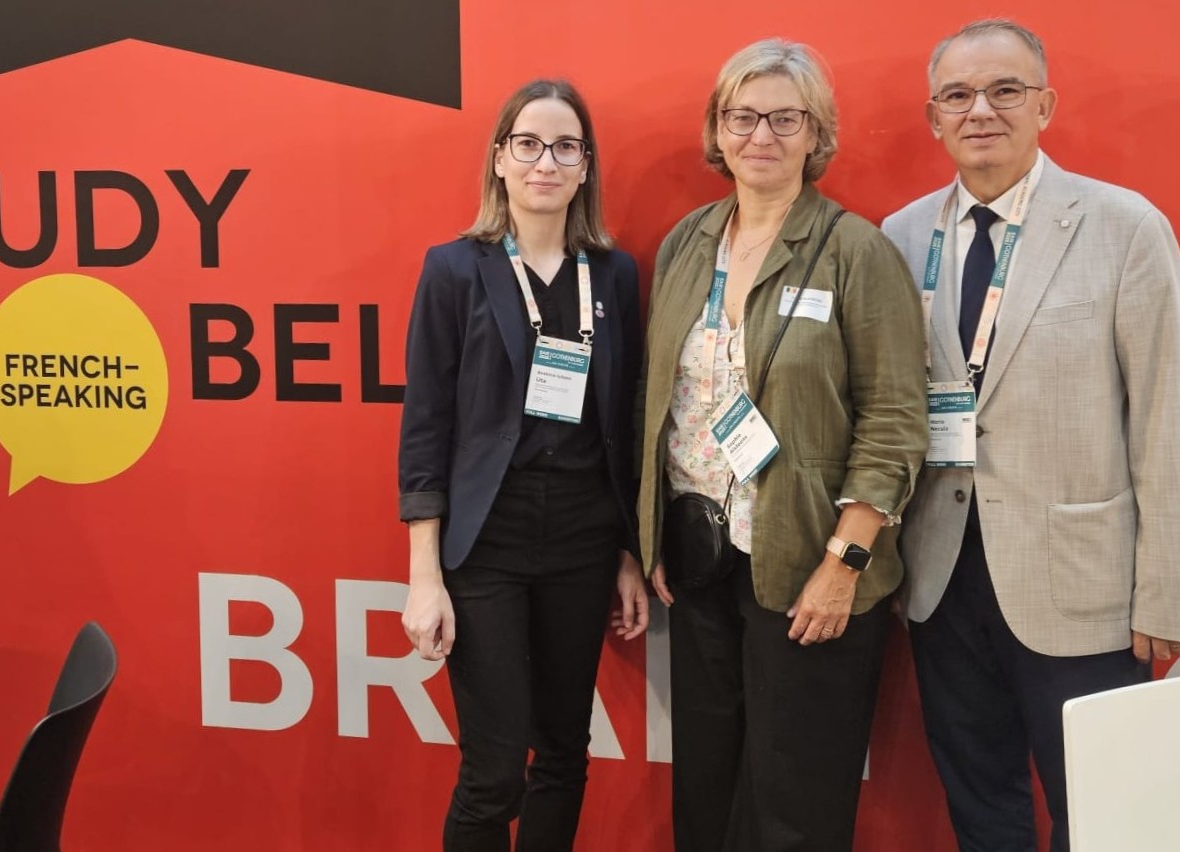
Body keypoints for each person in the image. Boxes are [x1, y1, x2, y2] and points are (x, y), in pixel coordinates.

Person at [882, 19, 1180, 852]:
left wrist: (1170, 588)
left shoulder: (1121, 225)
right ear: (932, 117)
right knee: (979, 803)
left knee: (1101, 813)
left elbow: (1172, 417)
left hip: (1083, 585)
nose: (979, 110)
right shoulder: (900, 236)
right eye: (957, 95)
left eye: (1004, 90)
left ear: (1044, 105)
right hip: (940, 577)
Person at [636, 39, 926, 851]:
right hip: (699, 562)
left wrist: (844, 564)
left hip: (806, 565)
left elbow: (894, 421)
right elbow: (659, 400)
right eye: (741, 117)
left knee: (793, 807)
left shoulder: (855, 251)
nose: (760, 135)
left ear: (815, 133)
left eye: (784, 119)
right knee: (704, 791)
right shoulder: (687, 243)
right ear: (716, 130)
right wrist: (652, 535)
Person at [397, 79, 649, 852]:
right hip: (487, 542)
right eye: (528, 144)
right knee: (494, 770)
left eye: (565, 147)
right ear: (500, 159)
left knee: (564, 754)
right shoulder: (454, 270)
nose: (546, 162)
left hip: (582, 537)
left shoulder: (613, 274)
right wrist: (424, 575)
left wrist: (628, 553)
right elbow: (425, 427)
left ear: (585, 166)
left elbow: (625, 423)